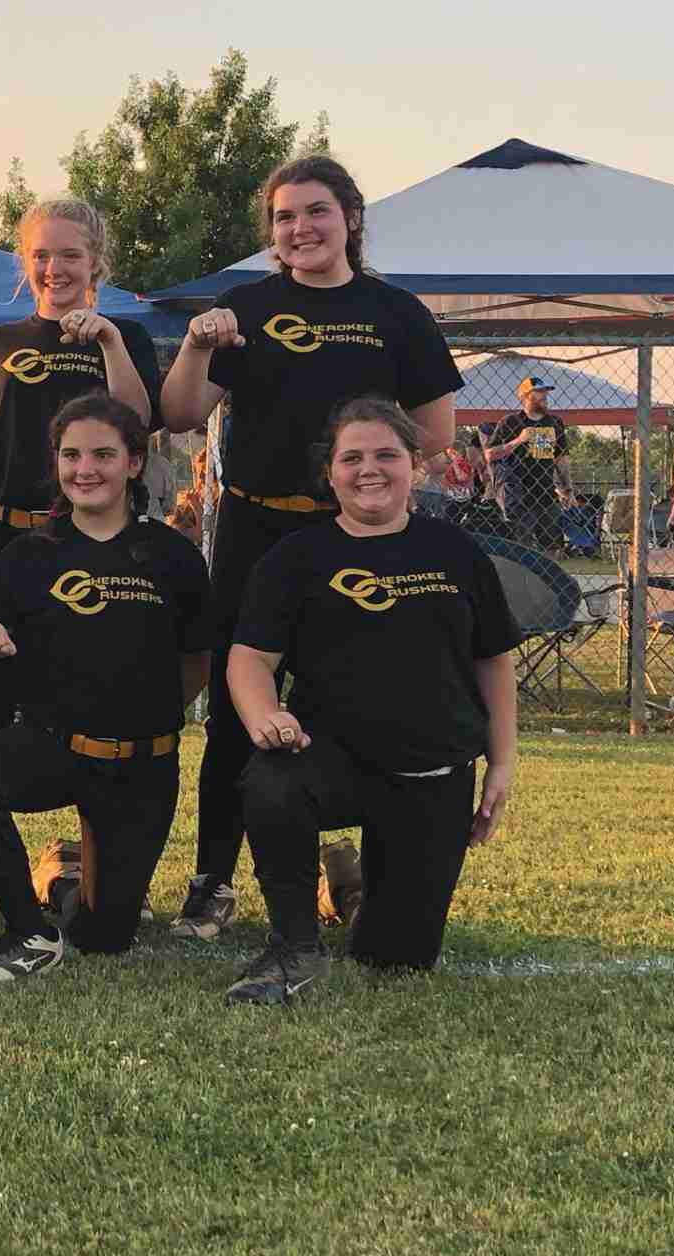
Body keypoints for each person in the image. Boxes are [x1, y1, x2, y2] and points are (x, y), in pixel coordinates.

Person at [159, 155, 461, 942]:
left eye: (317, 211)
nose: (301, 228)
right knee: (236, 714)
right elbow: (181, 413)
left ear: (350, 219)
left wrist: (371, 477)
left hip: (352, 539)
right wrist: (195, 346)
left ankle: (357, 871)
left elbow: (436, 430)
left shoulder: (396, 312)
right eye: (285, 216)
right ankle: (212, 881)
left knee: (363, 701)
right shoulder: (245, 308)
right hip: (255, 531)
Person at [222, 396, 518, 1005]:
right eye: (351, 458)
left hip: (430, 771)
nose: (369, 470)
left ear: (416, 464)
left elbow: (493, 658)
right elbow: (249, 658)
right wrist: (264, 715)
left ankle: (349, 886)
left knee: (397, 957)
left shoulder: (456, 551)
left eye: (386, 455)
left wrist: (502, 762)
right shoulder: (295, 557)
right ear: (329, 473)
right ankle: (295, 945)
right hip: (332, 762)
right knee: (271, 782)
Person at [0, 198, 164, 928]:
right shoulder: (0, 341)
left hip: (99, 543)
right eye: (41, 255)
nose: (54, 269)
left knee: (95, 696)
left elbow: (142, 422)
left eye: (70, 255)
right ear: (24, 263)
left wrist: (109, 342)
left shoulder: (124, 337)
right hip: (10, 540)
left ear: (96, 262)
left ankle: (98, 859)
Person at [0, 393, 210, 983]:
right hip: (55, 750)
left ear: (134, 463)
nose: (85, 469)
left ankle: (62, 877)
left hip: (141, 767)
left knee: (105, 937)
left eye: (103, 455)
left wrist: (144, 718)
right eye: (71, 455)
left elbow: (195, 663)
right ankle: (26, 929)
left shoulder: (172, 556)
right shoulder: (27, 555)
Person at [485, 377, 573, 554]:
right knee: (521, 547)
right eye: (538, 392)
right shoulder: (510, 422)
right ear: (525, 396)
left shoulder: (554, 422)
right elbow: (489, 454)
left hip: (546, 492)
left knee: (551, 546)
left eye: (545, 392)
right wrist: (518, 440)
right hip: (518, 494)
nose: (544, 395)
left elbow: (561, 459)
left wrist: (567, 489)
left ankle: (547, 572)